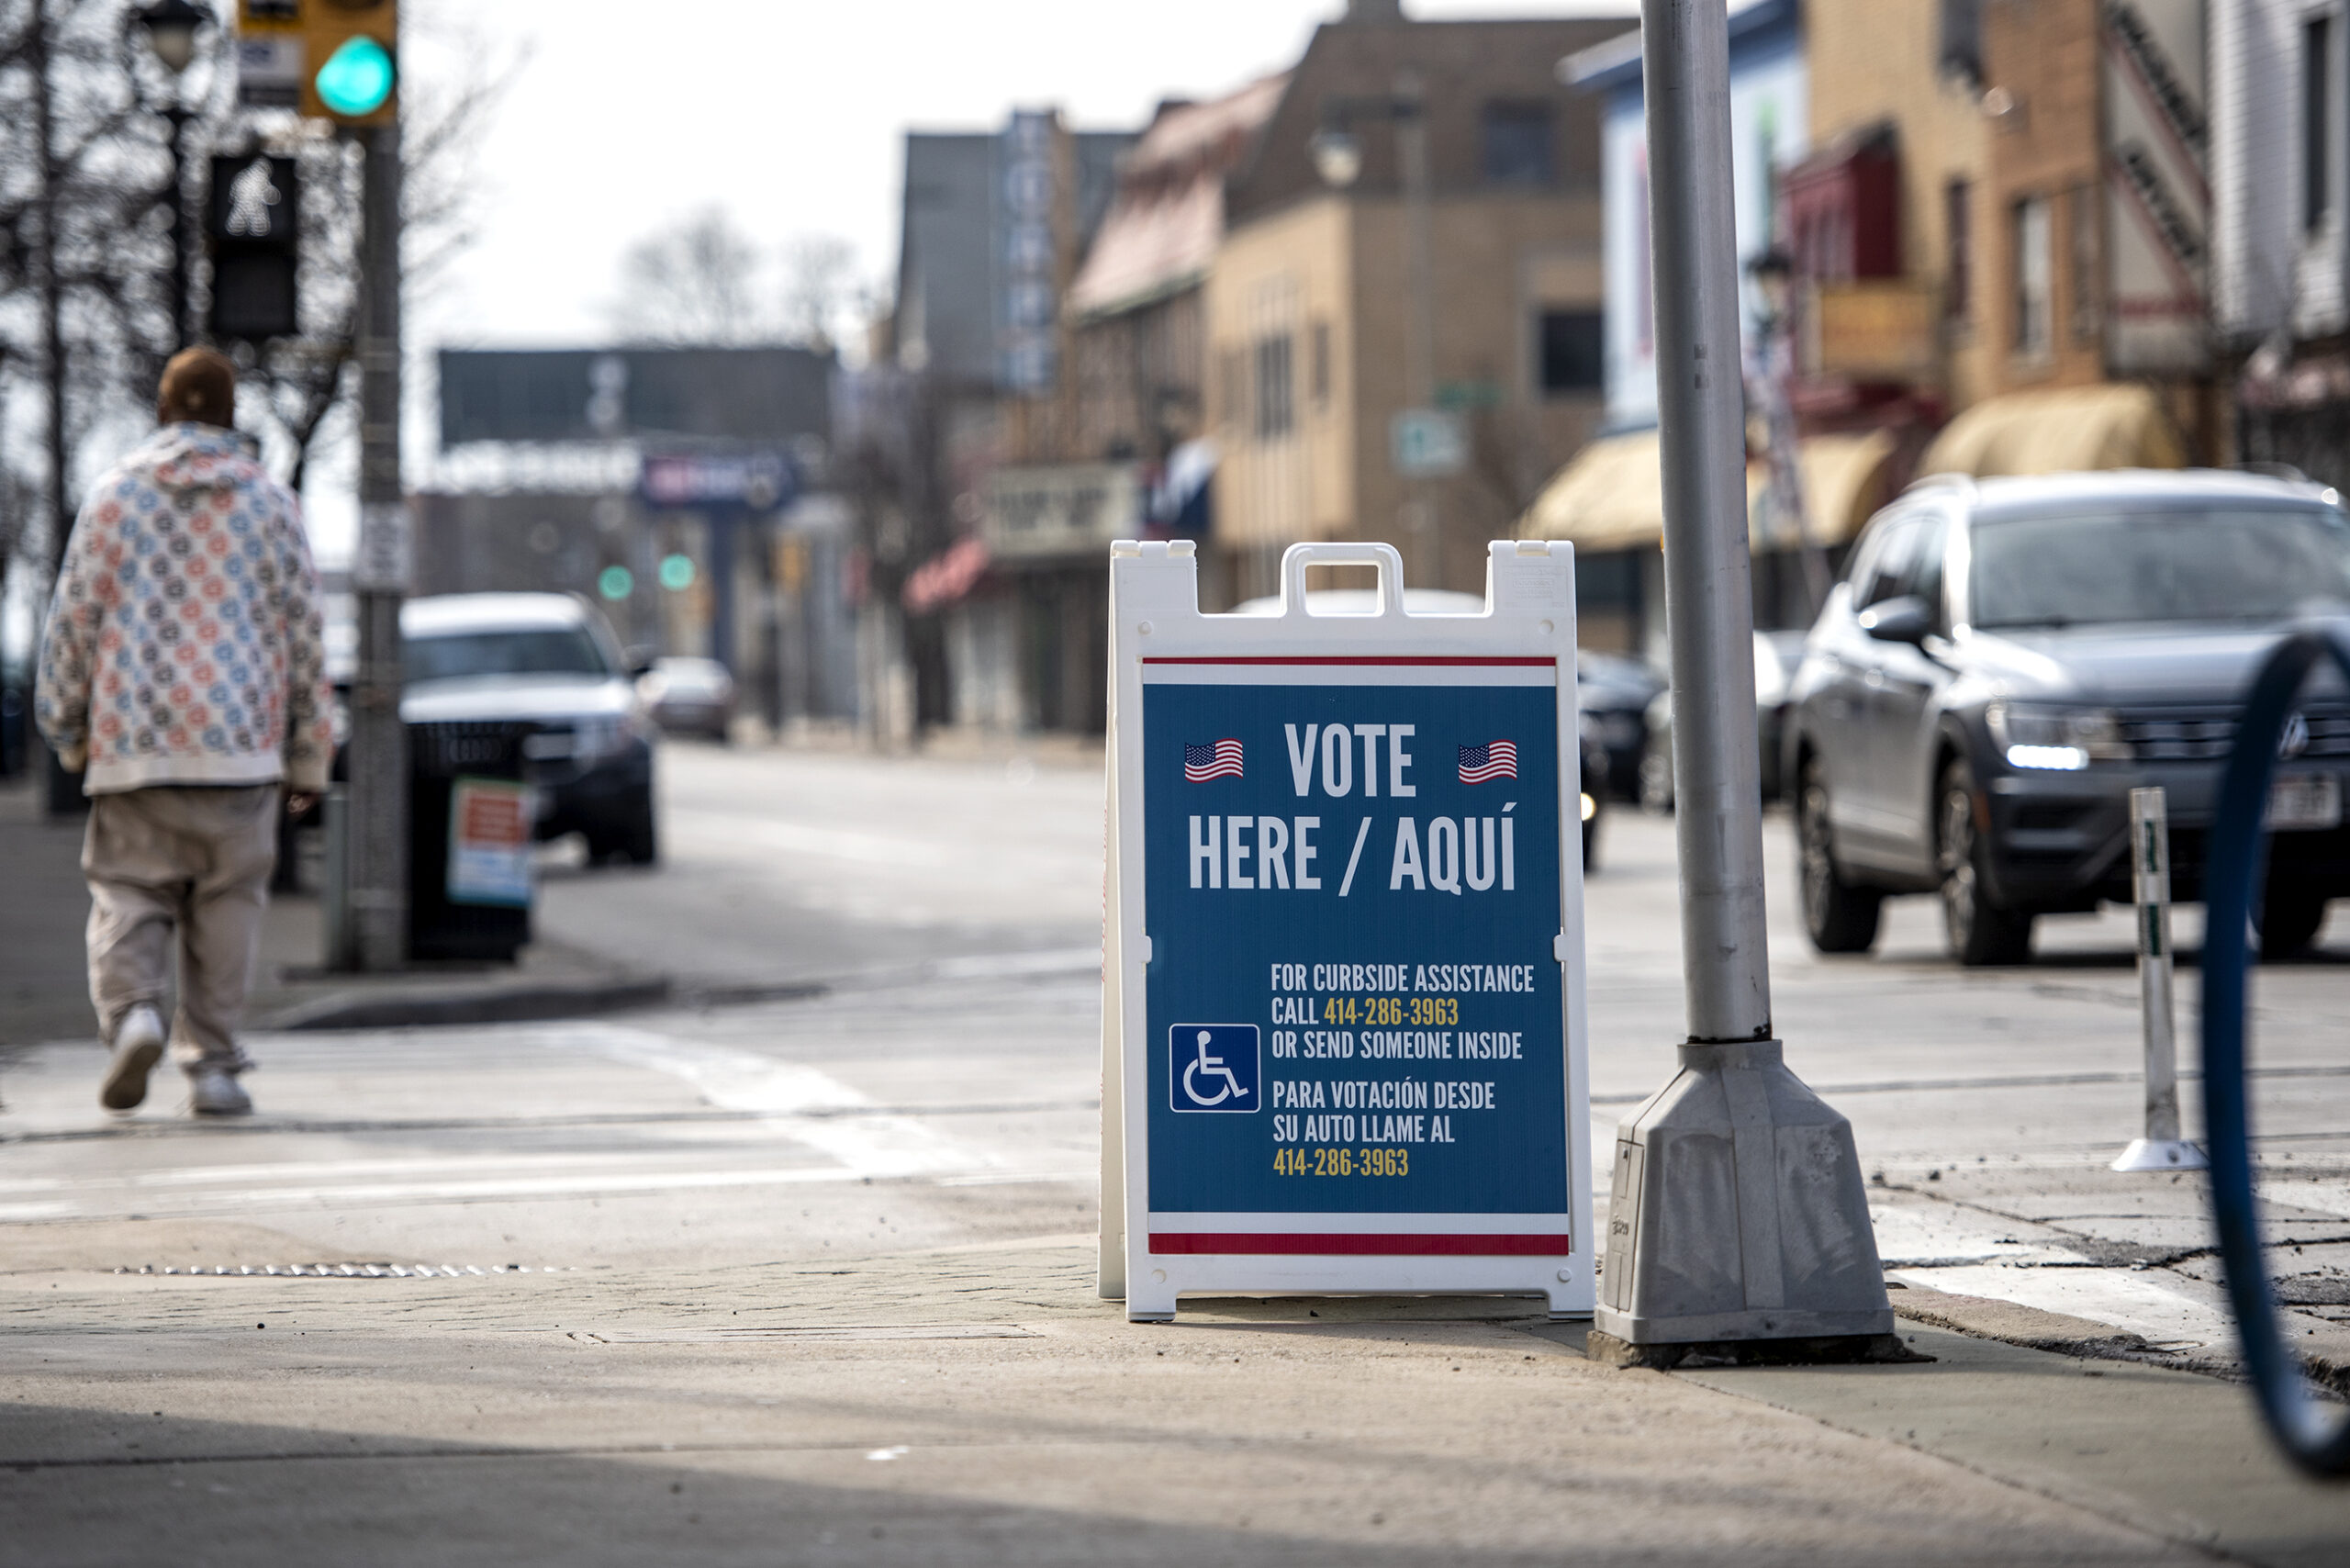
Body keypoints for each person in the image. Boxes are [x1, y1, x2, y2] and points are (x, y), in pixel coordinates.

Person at [34, 347, 332, 1117]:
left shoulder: (114, 498)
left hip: (134, 744)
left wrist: (67, 730)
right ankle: (213, 1067)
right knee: (228, 905)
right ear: (232, 416)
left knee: (128, 893)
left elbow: (72, 625)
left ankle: (135, 1013)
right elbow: (303, 632)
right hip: (240, 748)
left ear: (162, 410)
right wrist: (308, 755)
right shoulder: (269, 502)